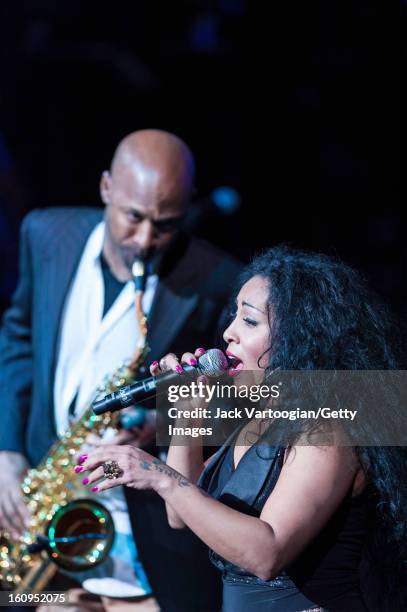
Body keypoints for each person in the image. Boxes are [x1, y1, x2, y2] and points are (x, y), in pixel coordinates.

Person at [78, 245, 407, 612]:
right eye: (234, 316)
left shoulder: (328, 430)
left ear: (299, 337)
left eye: (249, 321)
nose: (229, 333)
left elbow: (266, 554)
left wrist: (155, 473)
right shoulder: (258, 420)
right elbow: (181, 513)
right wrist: (189, 414)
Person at [0, 129, 241, 611]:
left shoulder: (218, 278)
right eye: (133, 217)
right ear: (107, 187)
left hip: (148, 547)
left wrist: (162, 425)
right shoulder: (45, 234)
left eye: (166, 224)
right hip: (47, 535)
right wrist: (6, 447)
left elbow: (241, 401)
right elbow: (19, 337)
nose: (146, 240)